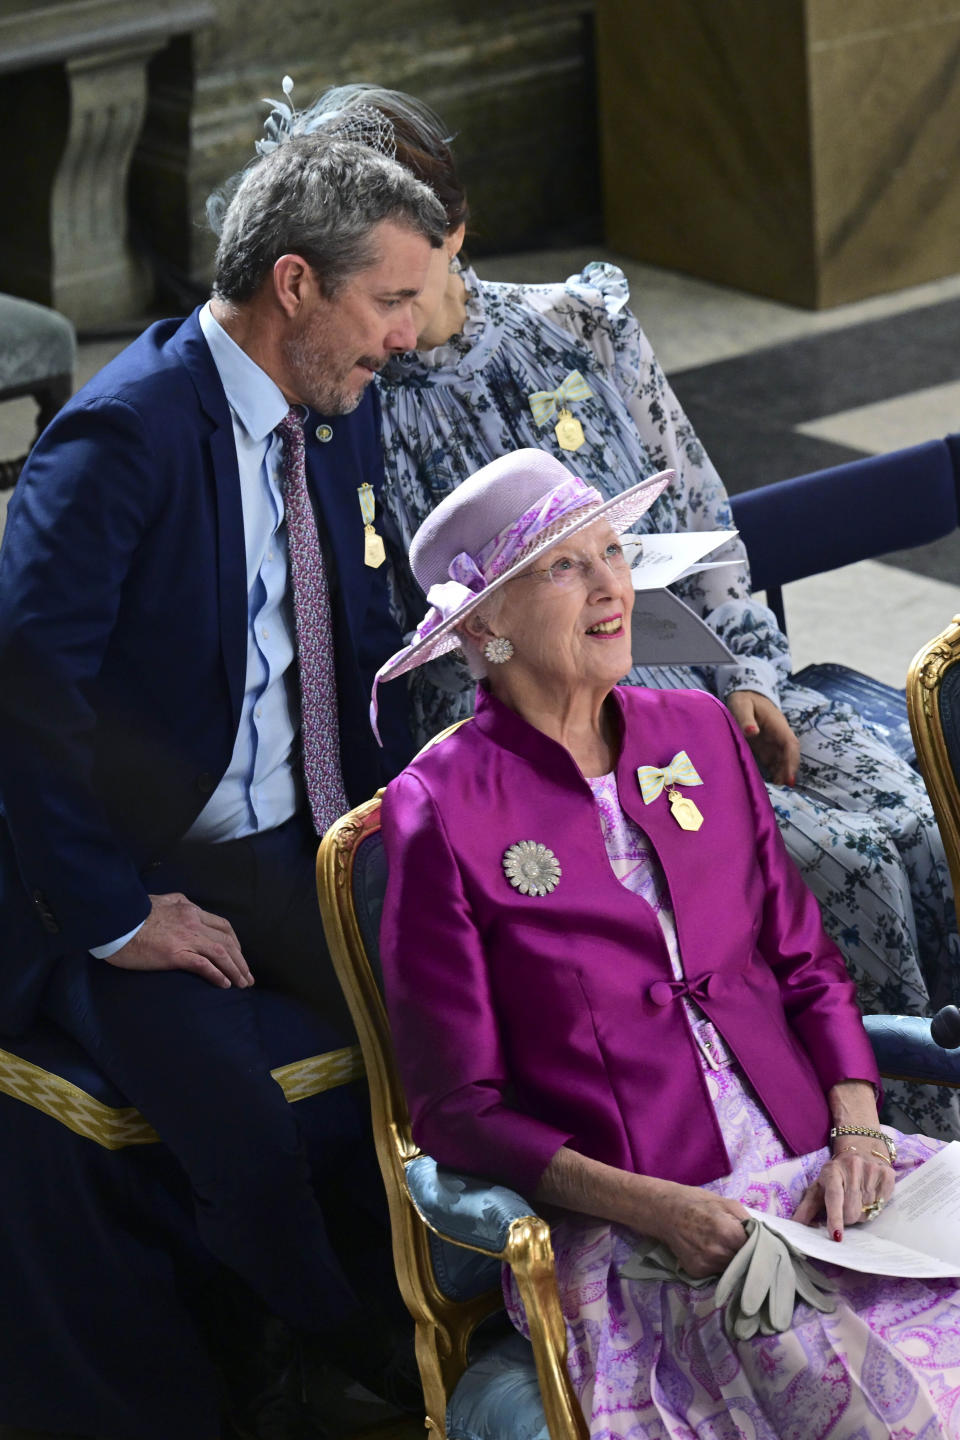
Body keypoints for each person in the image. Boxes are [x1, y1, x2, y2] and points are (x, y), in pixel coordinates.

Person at [255, 80, 960, 1140]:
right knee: (834, 868)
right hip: (540, 746)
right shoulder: (342, 403)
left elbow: (701, 517)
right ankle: (863, 1148)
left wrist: (754, 682)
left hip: (700, 686)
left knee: (907, 817)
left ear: (454, 231)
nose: (383, 300)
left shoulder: (579, 324)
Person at [0, 133, 447, 1439]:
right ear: (297, 285)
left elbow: (345, 638)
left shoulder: (327, 416)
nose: (408, 338)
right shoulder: (123, 436)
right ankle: (339, 1347)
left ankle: (445, 1300)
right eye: (392, 303)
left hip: (296, 838)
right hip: (136, 870)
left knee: (473, 1002)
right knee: (238, 1136)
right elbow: (25, 692)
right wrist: (115, 914)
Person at [376, 447, 960, 1440]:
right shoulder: (438, 812)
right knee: (875, 1403)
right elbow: (456, 1110)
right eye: (566, 566)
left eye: (613, 552)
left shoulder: (696, 733)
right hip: (648, 1222)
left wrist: (857, 1124)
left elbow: (806, 964)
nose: (613, 587)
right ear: (484, 624)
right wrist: (655, 1209)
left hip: (820, 1164)